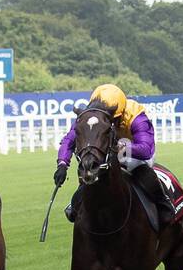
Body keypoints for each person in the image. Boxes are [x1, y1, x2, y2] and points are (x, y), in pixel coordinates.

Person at [53, 83, 176, 227]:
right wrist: (62, 164)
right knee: (92, 171)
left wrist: (121, 147)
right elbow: (69, 140)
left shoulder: (136, 116)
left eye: (113, 119)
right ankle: (78, 201)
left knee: (135, 166)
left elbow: (146, 149)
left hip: (133, 152)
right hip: (106, 153)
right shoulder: (91, 115)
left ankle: (163, 203)